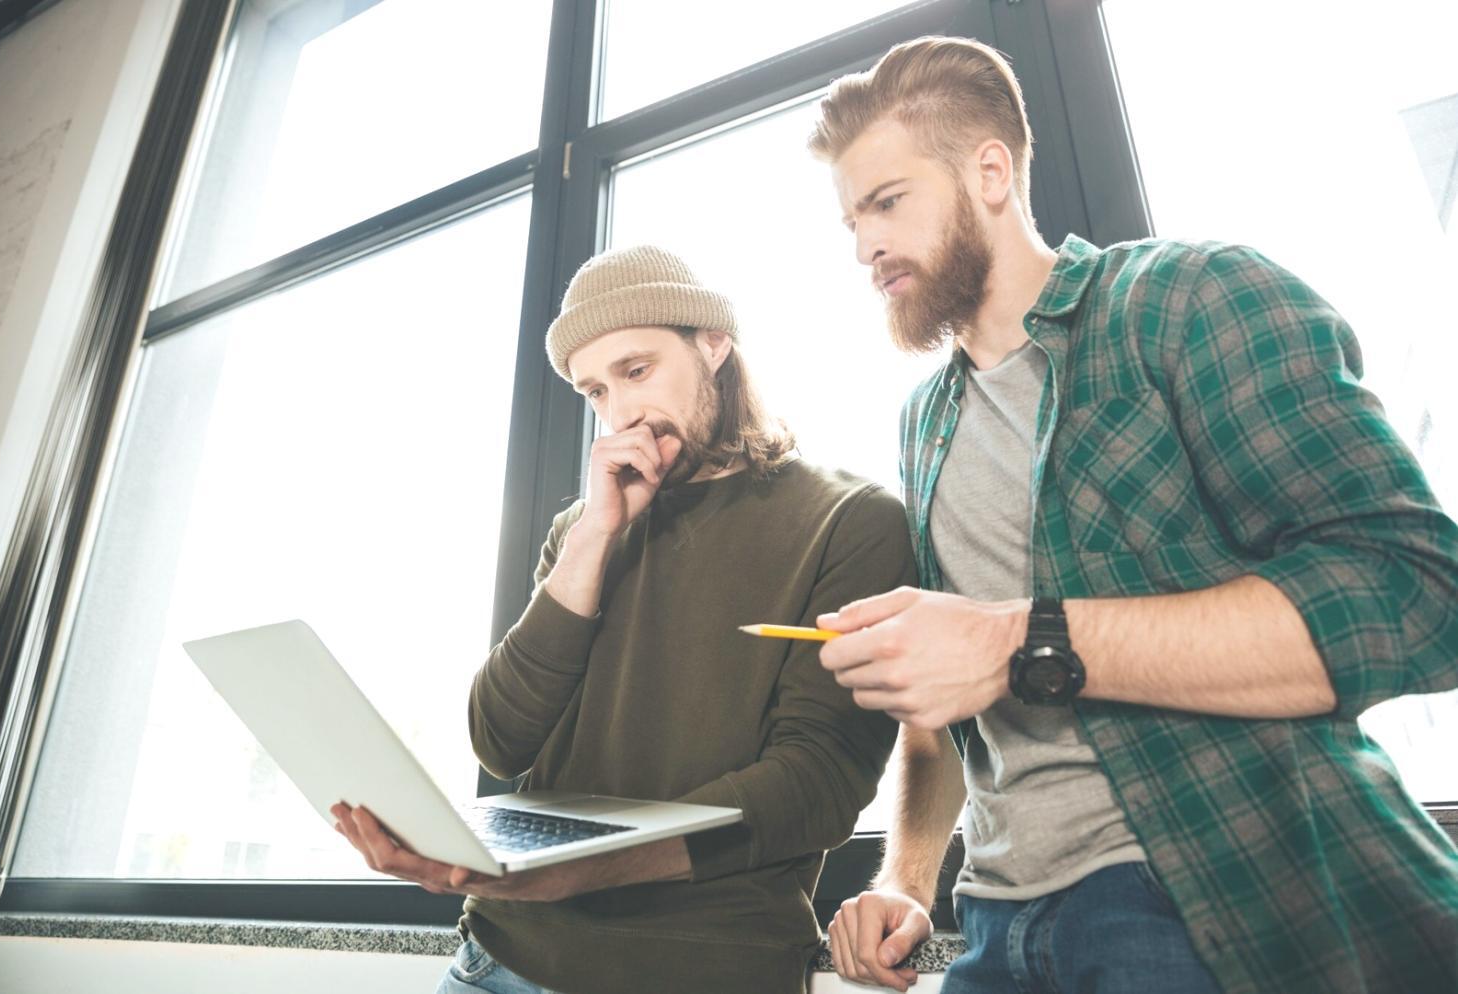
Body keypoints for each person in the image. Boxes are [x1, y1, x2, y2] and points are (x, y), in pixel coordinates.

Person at [805, 36, 1458, 994]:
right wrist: (905, 880)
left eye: (887, 203)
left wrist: (1019, 640)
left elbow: (1414, 594)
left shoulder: (1188, 298)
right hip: (994, 922)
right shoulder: (924, 424)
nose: (864, 247)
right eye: (850, 222)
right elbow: (944, 718)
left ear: (991, 172)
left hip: (1201, 892)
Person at [331, 244, 917, 994]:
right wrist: (593, 539)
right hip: (499, 960)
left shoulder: (850, 521)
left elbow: (816, 783)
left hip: (699, 972)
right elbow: (501, 741)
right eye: (594, 392)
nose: (620, 412)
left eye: (636, 372)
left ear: (713, 345)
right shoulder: (582, 530)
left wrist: (574, 872)